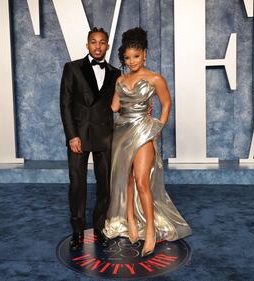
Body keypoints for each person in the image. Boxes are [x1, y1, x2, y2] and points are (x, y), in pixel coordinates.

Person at [103, 27, 192, 257]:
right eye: (127, 57)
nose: (132, 61)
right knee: (127, 179)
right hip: (121, 131)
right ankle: (131, 221)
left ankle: (150, 230)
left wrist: (157, 129)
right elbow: (114, 107)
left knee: (142, 180)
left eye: (136, 56)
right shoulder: (120, 79)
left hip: (143, 131)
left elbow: (167, 103)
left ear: (144, 54)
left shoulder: (155, 78)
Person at [60, 27, 121, 251]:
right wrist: (72, 135)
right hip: (79, 136)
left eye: (102, 42)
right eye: (93, 42)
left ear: (107, 45)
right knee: (77, 184)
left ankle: (99, 228)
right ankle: (77, 232)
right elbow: (65, 104)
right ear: (87, 45)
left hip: (105, 136)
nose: (97, 46)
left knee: (104, 185)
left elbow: (118, 104)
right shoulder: (72, 68)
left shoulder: (116, 73)